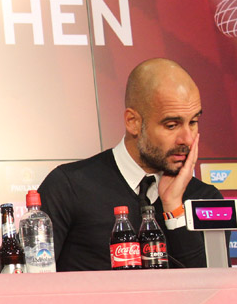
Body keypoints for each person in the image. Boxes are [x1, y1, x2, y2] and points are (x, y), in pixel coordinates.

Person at [38, 58, 222, 271]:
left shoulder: (206, 198)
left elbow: (210, 290)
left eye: (193, 122)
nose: (188, 139)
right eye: (172, 125)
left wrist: (174, 209)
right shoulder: (68, 187)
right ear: (133, 122)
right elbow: (28, 285)